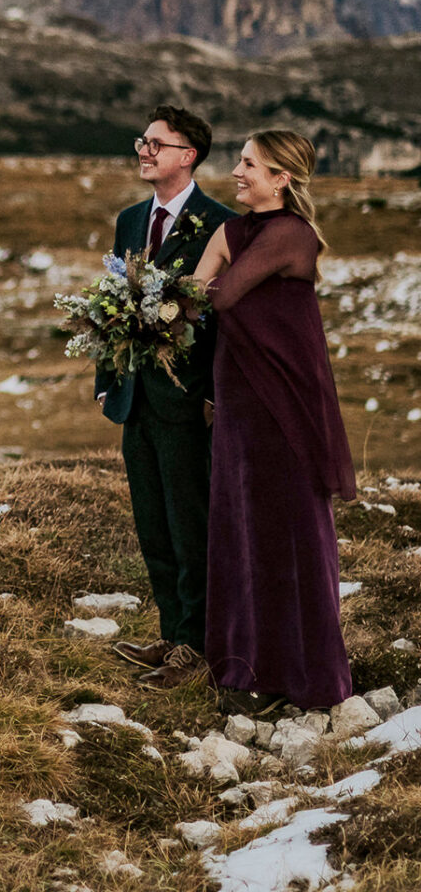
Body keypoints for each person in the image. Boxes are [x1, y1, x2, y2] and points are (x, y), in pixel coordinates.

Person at [194, 129, 354, 714]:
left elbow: (222, 294)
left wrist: (207, 278)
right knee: (242, 530)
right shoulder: (232, 231)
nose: (236, 172)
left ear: (281, 179)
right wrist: (200, 283)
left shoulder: (292, 233)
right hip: (237, 402)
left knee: (288, 535)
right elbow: (194, 296)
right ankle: (247, 665)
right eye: (238, 161)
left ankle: (305, 673)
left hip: (283, 406)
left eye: (249, 164)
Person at [96, 105, 235, 689]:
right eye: (141, 142)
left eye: (156, 143)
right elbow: (110, 302)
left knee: (190, 524)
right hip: (136, 402)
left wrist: (219, 398)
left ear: (188, 156)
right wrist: (107, 380)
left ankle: (199, 648)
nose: (144, 152)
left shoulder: (220, 223)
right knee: (152, 522)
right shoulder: (130, 220)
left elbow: (229, 322)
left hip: (188, 404)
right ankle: (172, 633)